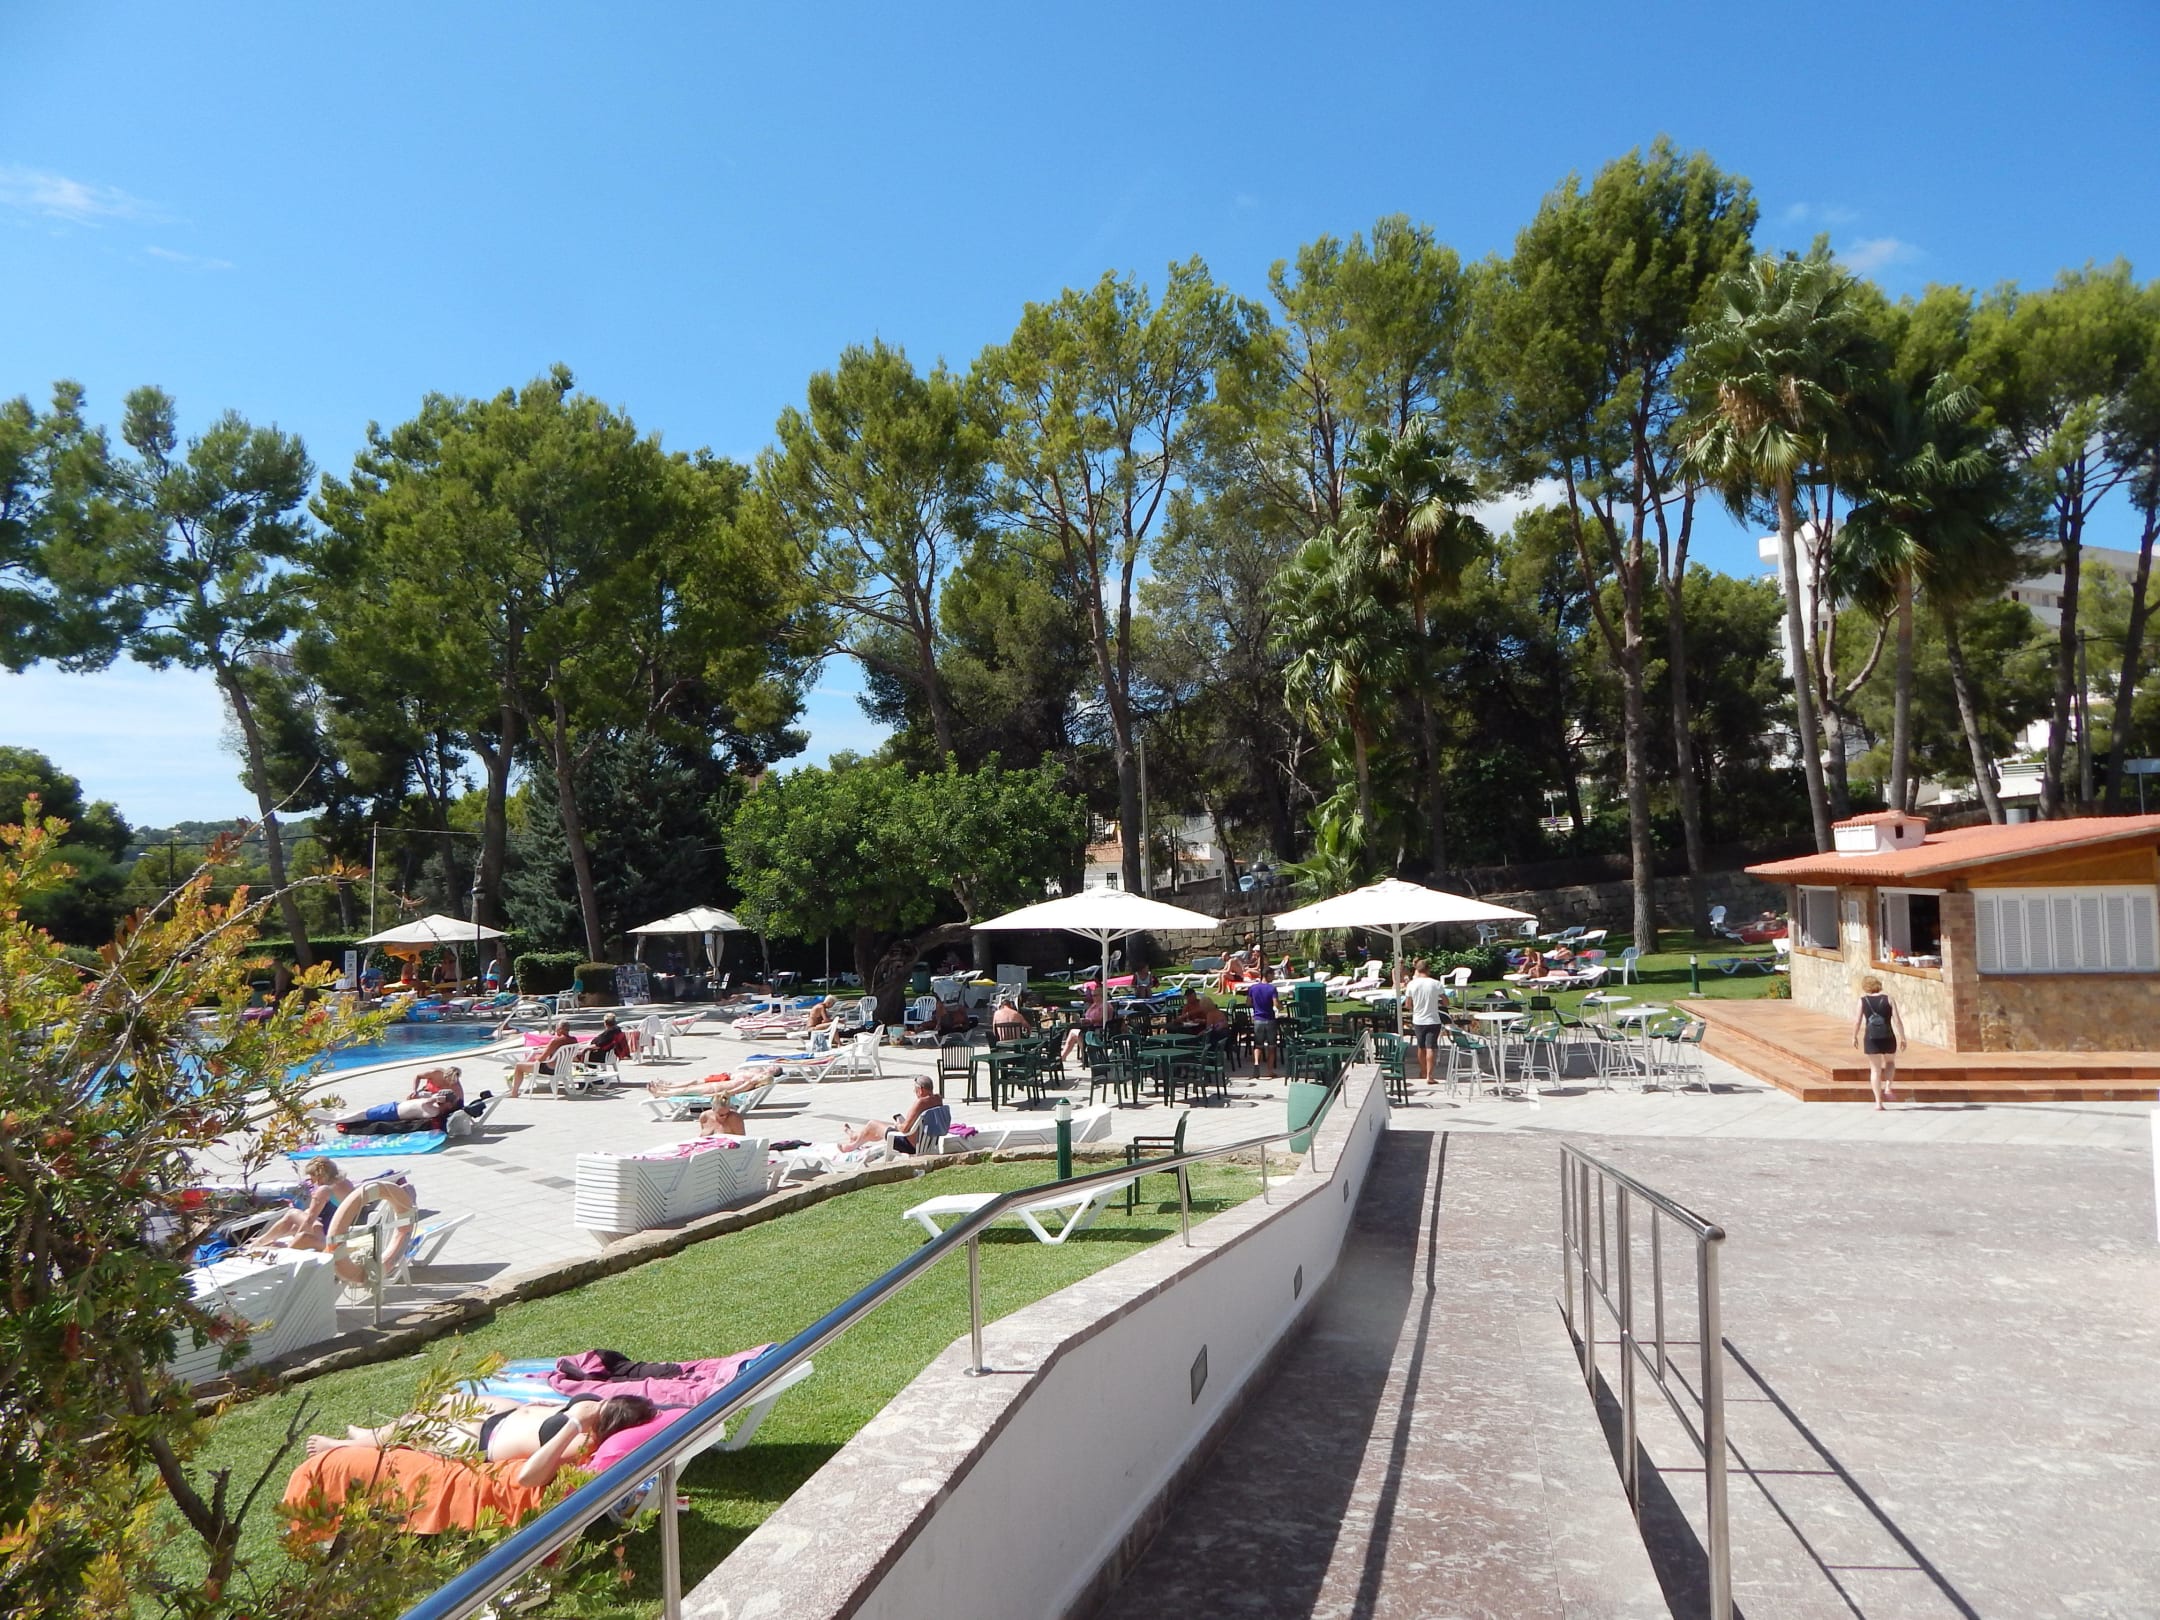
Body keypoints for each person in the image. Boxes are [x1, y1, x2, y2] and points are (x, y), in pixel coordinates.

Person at [311, 1393, 658, 1491]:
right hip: (504, 1412)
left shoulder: (579, 1442)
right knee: (441, 1401)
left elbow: (529, 1477)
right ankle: (371, 1435)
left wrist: (574, 1422)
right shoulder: (594, 1410)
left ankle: (345, 1446)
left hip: (485, 1440)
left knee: (418, 1426)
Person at [247, 1157, 354, 1251]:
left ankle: (259, 1242)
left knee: (292, 1214)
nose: (312, 1182)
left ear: (320, 1176)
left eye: (312, 1178)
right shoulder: (346, 1183)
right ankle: (266, 1238)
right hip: (341, 1233)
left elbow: (309, 1221)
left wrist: (295, 1241)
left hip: (326, 1236)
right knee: (305, 1214)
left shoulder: (324, 1190)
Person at [839, 1077, 945, 1154]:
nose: (914, 1092)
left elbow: (904, 1129)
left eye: (915, 1090)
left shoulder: (920, 1103)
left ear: (921, 1090)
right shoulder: (938, 1099)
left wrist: (898, 1125)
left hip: (912, 1146)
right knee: (877, 1129)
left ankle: (852, 1146)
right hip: (929, 1143)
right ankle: (855, 1136)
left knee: (872, 1124)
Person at [1852, 974, 1904, 1110]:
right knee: (1890, 1062)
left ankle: (1878, 1103)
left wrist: (1854, 1036)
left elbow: (1857, 1021)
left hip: (1871, 1038)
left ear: (1865, 987)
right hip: (1888, 1036)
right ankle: (1888, 1086)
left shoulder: (1862, 1001)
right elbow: (1897, 1020)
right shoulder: (1889, 999)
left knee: (1875, 1069)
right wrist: (1903, 1037)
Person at [1403, 959, 1450, 1084]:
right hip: (1433, 1020)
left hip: (1418, 1020)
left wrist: (1415, 1006)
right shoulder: (1436, 984)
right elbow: (1446, 1002)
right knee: (1431, 1047)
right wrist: (1437, 1002)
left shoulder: (1412, 984)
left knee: (1421, 1046)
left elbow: (1407, 1004)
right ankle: (1430, 1075)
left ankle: (1423, 1071)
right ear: (1428, 969)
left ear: (1417, 970)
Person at [325, 1090, 461, 1131]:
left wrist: (434, 1098)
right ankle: (336, 1119)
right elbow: (424, 1097)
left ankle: (332, 1121)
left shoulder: (434, 1110)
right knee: (361, 1113)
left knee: (360, 1115)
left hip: (392, 1113)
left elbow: (425, 1103)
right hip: (394, 1106)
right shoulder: (435, 1105)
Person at [507, 1020, 578, 1098]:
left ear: (560, 1029)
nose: (555, 1031)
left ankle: (514, 1093)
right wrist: (546, 1047)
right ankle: (514, 1092)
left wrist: (535, 1056)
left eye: (556, 1028)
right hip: (562, 1068)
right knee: (527, 1064)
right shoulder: (573, 1040)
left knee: (519, 1066)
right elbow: (558, 1047)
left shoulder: (555, 1041)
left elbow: (541, 1058)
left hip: (550, 1069)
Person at [1245, 969, 1280, 1079]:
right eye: (1272, 975)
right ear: (1267, 975)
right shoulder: (1272, 988)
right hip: (1269, 1019)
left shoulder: (1253, 988)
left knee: (1258, 1044)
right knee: (1272, 1046)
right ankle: (1270, 1070)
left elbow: (1248, 1003)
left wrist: (1256, 1006)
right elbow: (1276, 1004)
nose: (1273, 977)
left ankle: (1256, 1063)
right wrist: (1281, 1007)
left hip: (1258, 1019)